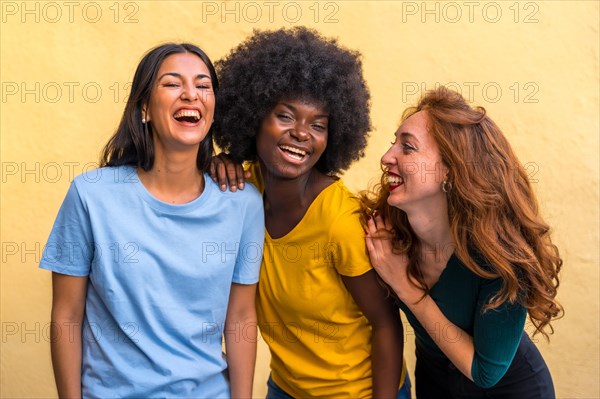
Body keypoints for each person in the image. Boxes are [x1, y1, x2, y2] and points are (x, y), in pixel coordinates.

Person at [39, 43, 265, 398]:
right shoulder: (90, 195)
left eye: (203, 86)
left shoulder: (244, 205)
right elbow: (66, 315)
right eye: (173, 84)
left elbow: (240, 318)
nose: (191, 94)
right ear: (144, 107)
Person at [211, 27, 409, 398]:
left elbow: (386, 325)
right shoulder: (242, 189)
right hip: (286, 387)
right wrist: (215, 163)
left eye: (318, 125)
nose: (302, 133)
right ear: (254, 118)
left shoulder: (340, 220)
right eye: (286, 117)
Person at [362, 86, 563, 398]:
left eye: (408, 148)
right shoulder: (390, 231)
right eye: (393, 144)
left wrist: (404, 285)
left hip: (510, 390)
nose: (386, 157)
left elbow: (485, 372)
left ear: (451, 170)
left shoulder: (500, 256)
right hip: (434, 383)